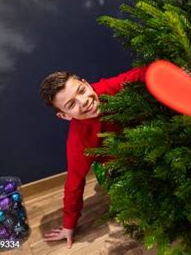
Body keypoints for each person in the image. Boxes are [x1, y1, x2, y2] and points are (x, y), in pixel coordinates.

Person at [39, 66, 147, 248]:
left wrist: (175, 74)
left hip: (144, 139)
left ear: (86, 84)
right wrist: (69, 225)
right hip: (116, 162)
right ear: (64, 116)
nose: (84, 102)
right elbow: (74, 183)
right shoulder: (78, 140)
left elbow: (138, 74)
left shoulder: (106, 89)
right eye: (71, 105)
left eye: (81, 91)